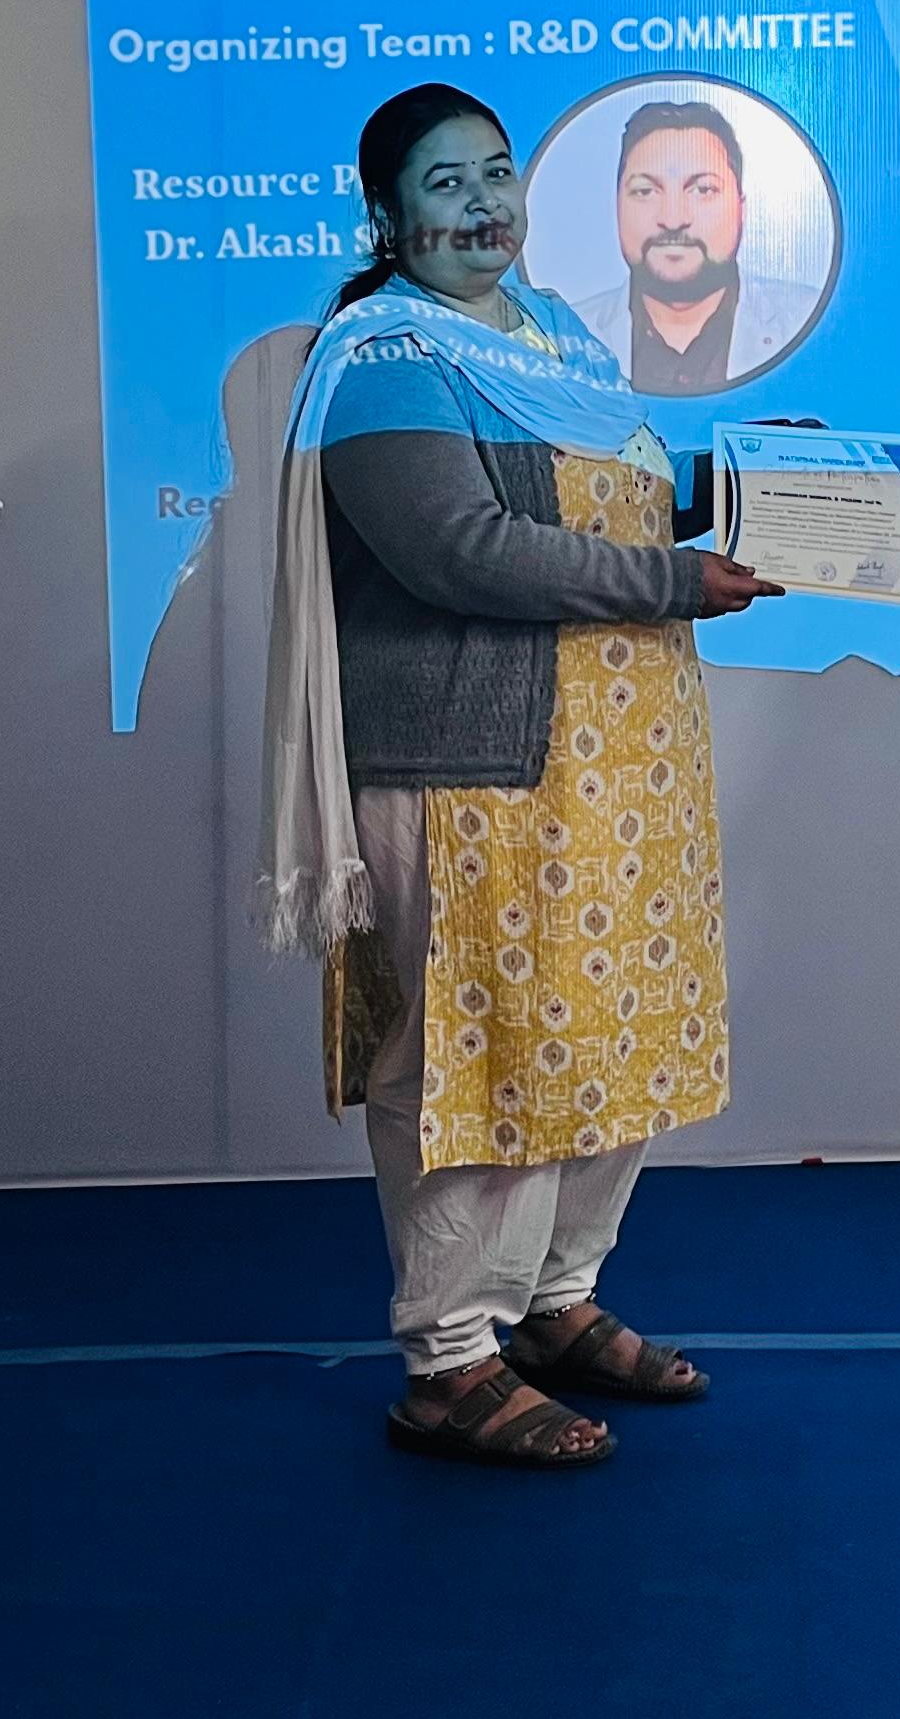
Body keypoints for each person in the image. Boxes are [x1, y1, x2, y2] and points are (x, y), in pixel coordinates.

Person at [261, 81, 782, 1467]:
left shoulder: (553, 336)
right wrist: (671, 579)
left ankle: (554, 1302)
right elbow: (461, 550)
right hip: (475, 771)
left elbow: (620, 497)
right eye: (446, 184)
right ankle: (448, 1358)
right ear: (386, 216)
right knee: (474, 1061)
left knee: (604, 1042)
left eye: (496, 173)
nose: (484, 203)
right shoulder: (382, 358)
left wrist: (767, 486)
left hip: (615, 775)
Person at [553, 95, 824, 395]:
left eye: (703, 189)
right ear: (617, 205)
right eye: (645, 191)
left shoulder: (810, 322)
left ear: (742, 208)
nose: (673, 219)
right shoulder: (561, 336)